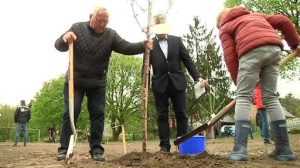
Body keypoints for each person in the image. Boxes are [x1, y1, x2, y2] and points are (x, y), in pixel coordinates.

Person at [54, 5, 152, 161]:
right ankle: (64, 148)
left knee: (98, 115)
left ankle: (97, 150)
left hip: (97, 82)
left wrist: (142, 45)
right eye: (100, 20)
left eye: (105, 22)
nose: (102, 25)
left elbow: (125, 47)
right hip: (75, 80)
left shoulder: (110, 35)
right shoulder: (77, 28)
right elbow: (59, 46)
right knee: (71, 113)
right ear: (91, 17)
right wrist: (64, 38)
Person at [216, 6, 300, 161]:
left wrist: (239, 83)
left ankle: (240, 150)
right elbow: (283, 20)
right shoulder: (256, 15)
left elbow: (231, 58)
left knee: (243, 97)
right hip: (274, 48)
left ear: (221, 22)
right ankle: (284, 149)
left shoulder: (225, 27)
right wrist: (295, 44)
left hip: (250, 50)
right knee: (271, 97)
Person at [149, 14, 208, 152]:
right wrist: (144, 85)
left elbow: (188, 60)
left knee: (181, 113)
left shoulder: (177, 41)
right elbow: (146, 67)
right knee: (162, 115)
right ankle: (164, 146)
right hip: (159, 84)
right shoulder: (150, 44)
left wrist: (197, 77)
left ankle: (183, 144)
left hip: (178, 83)